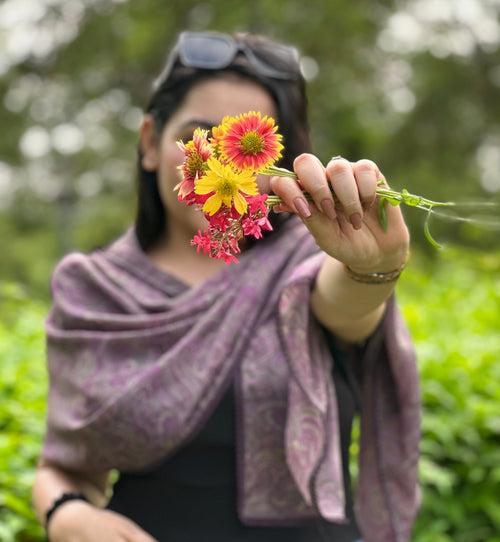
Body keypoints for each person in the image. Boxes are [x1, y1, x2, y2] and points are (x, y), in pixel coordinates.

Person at [32, 31, 420, 542]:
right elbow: (61, 464)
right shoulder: (92, 290)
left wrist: (375, 267)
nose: (222, 163)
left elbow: (346, 304)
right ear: (150, 143)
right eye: (199, 137)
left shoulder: (307, 262)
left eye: (246, 149)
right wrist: (67, 514)